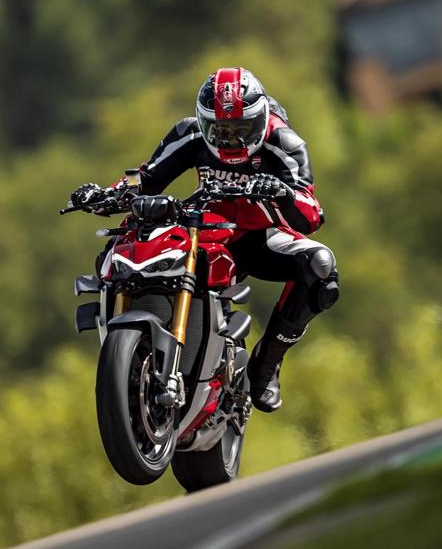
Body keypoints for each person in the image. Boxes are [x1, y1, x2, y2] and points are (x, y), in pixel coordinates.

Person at [69, 67, 339, 412]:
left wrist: (282, 193)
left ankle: (268, 361)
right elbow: (146, 178)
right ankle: (134, 352)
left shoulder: (284, 142)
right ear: (204, 121)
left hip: (259, 234)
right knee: (121, 248)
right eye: (220, 131)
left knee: (320, 267)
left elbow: (311, 213)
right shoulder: (190, 133)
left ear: (260, 119)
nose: (231, 140)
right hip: (204, 229)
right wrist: (105, 194)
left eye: (242, 129)